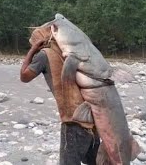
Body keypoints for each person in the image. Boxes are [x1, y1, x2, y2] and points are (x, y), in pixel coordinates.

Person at [20, 28, 100, 165]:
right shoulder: (71, 52)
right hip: (92, 116)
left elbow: (24, 76)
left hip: (74, 120)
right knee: (95, 161)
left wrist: (33, 50)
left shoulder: (44, 55)